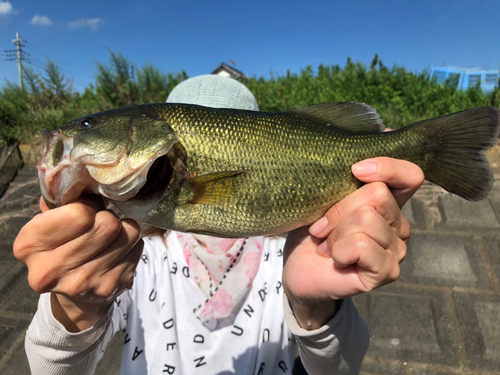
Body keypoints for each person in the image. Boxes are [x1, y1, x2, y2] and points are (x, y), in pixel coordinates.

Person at [14, 75, 424, 375]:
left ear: (151, 138)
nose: (78, 132)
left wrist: (317, 307)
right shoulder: (131, 259)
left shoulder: (288, 258)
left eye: (88, 126)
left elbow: (337, 368)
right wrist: (77, 303)